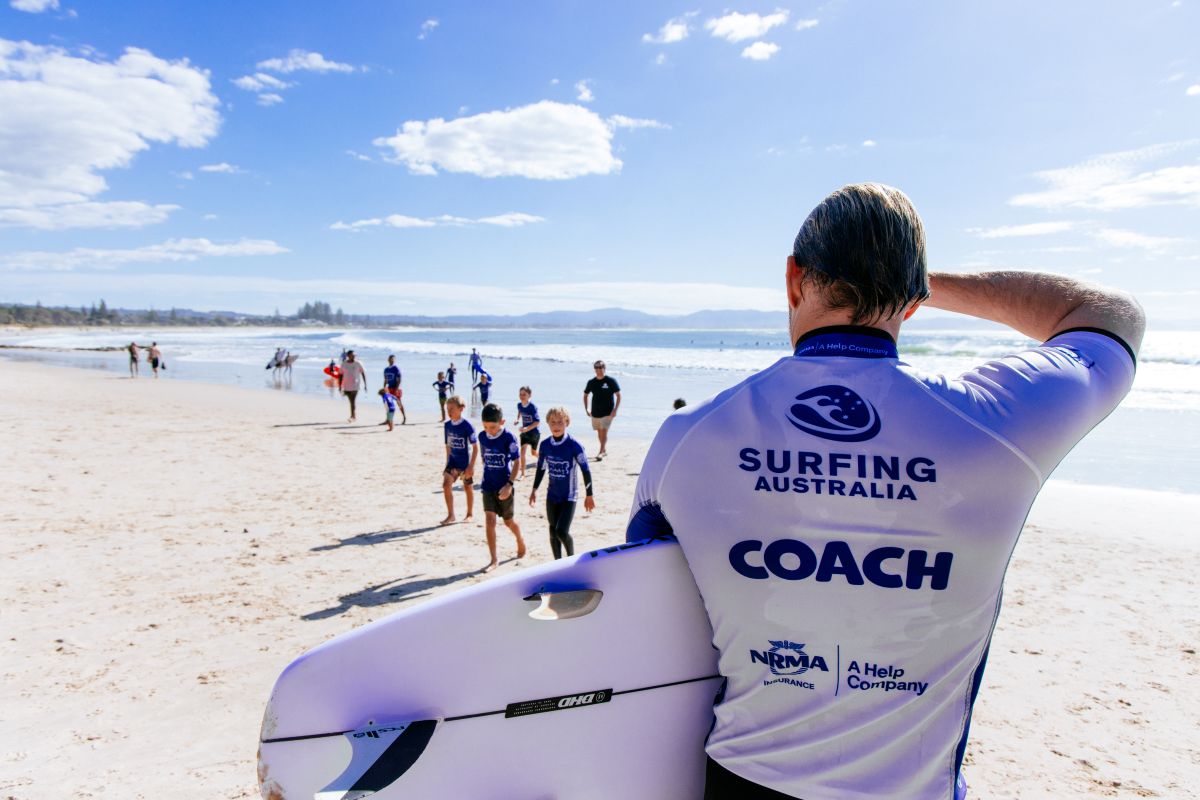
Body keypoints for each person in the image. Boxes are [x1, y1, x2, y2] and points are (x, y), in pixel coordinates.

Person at [624, 183, 1143, 800]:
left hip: (743, 779)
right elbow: (1112, 316)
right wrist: (913, 278)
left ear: (793, 281)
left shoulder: (689, 436)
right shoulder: (999, 422)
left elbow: (643, 610)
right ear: (914, 300)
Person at [528, 407, 594, 559]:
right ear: (548, 424)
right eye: (553, 422)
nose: (556, 426)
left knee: (561, 531)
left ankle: (570, 557)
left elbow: (586, 470)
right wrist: (534, 490)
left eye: (560, 422)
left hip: (569, 496)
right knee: (552, 530)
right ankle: (557, 562)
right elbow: (541, 468)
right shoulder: (545, 445)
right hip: (552, 495)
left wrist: (589, 495)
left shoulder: (574, 445)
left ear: (567, 423)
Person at [477, 403, 525, 573]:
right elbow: (484, 457)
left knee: (508, 522)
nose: (489, 430)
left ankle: (519, 539)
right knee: (490, 521)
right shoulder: (482, 437)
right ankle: (494, 559)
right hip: (488, 485)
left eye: (493, 427)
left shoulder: (509, 438)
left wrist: (509, 485)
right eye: (485, 427)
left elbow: (517, 462)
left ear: (502, 422)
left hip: (505, 485)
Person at [441, 396, 477, 525]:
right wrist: (447, 463)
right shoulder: (447, 425)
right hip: (452, 462)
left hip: (465, 463)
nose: (449, 411)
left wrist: (471, 466)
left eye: (451, 409)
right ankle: (451, 515)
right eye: (447, 409)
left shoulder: (467, 426)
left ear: (461, 409)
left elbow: (475, 447)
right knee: (446, 486)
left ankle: (469, 514)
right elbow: (448, 445)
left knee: (467, 488)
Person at [582, 360, 620, 460]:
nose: (599, 369)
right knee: (599, 433)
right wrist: (586, 409)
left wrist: (615, 410)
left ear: (604, 368)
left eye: (601, 367)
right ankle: (604, 450)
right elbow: (585, 395)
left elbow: (618, 395)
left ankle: (600, 452)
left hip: (608, 412)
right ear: (594, 369)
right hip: (595, 412)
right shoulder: (591, 382)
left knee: (604, 431)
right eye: (597, 367)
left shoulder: (610, 381)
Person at [514, 386, 540, 480]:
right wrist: (517, 419)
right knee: (522, 452)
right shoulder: (519, 405)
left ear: (529, 395)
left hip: (534, 433)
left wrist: (527, 428)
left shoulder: (532, 407)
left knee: (533, 453)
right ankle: (523, 474)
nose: (522, 396)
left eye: (524, 394)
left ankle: (543, 459)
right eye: (520, 394)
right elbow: (520, 412)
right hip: (525, 433)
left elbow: (537, 422)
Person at [339, 350, 367, 422]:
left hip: (355, 385)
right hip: (346, 385)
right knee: (350, 401)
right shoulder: (344, 364)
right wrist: (340, 386)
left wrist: (365, 384)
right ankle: (353, 415)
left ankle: (352, 416)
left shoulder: (358, 363)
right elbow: (341, 375)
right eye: (352, 355)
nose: (354, 356)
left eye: (354, 355)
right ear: (348, 356)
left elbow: (363, 373)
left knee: (352, 401)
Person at [382, 355, 407, 425]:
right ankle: (388, 419)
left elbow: (399, 380)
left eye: (393, 359)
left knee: (399, 403)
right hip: (389, 388)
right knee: (388, 405)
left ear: (394, 360)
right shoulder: (386, 369)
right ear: (388, 360)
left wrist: (396, 389)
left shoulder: (396, 369)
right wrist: (384, 388)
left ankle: (404, 418)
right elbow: (385, 380)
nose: (391, 360)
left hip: (396, 388)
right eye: (390, 359)